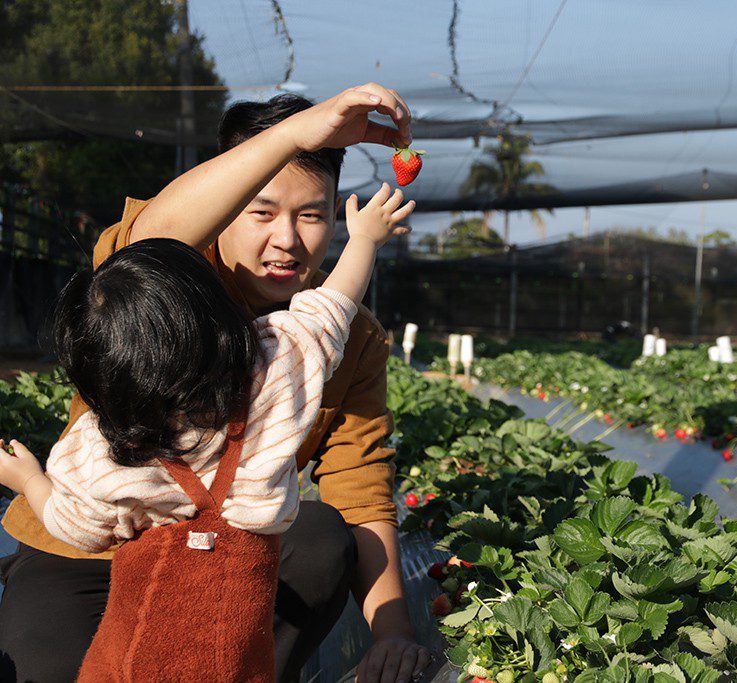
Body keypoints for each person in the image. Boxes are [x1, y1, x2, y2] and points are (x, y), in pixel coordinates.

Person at [0, 84, 427, 683]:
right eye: (261, 210)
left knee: (322, 534)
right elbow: (152, 238)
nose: (287, 239)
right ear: (226, 203)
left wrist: (392, 634)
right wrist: (295, 134)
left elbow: (360, 486)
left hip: (222, 565)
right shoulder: (156, 288)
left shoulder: (348, 337)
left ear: (335, 213)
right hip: (87, 549)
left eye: (311, 215)